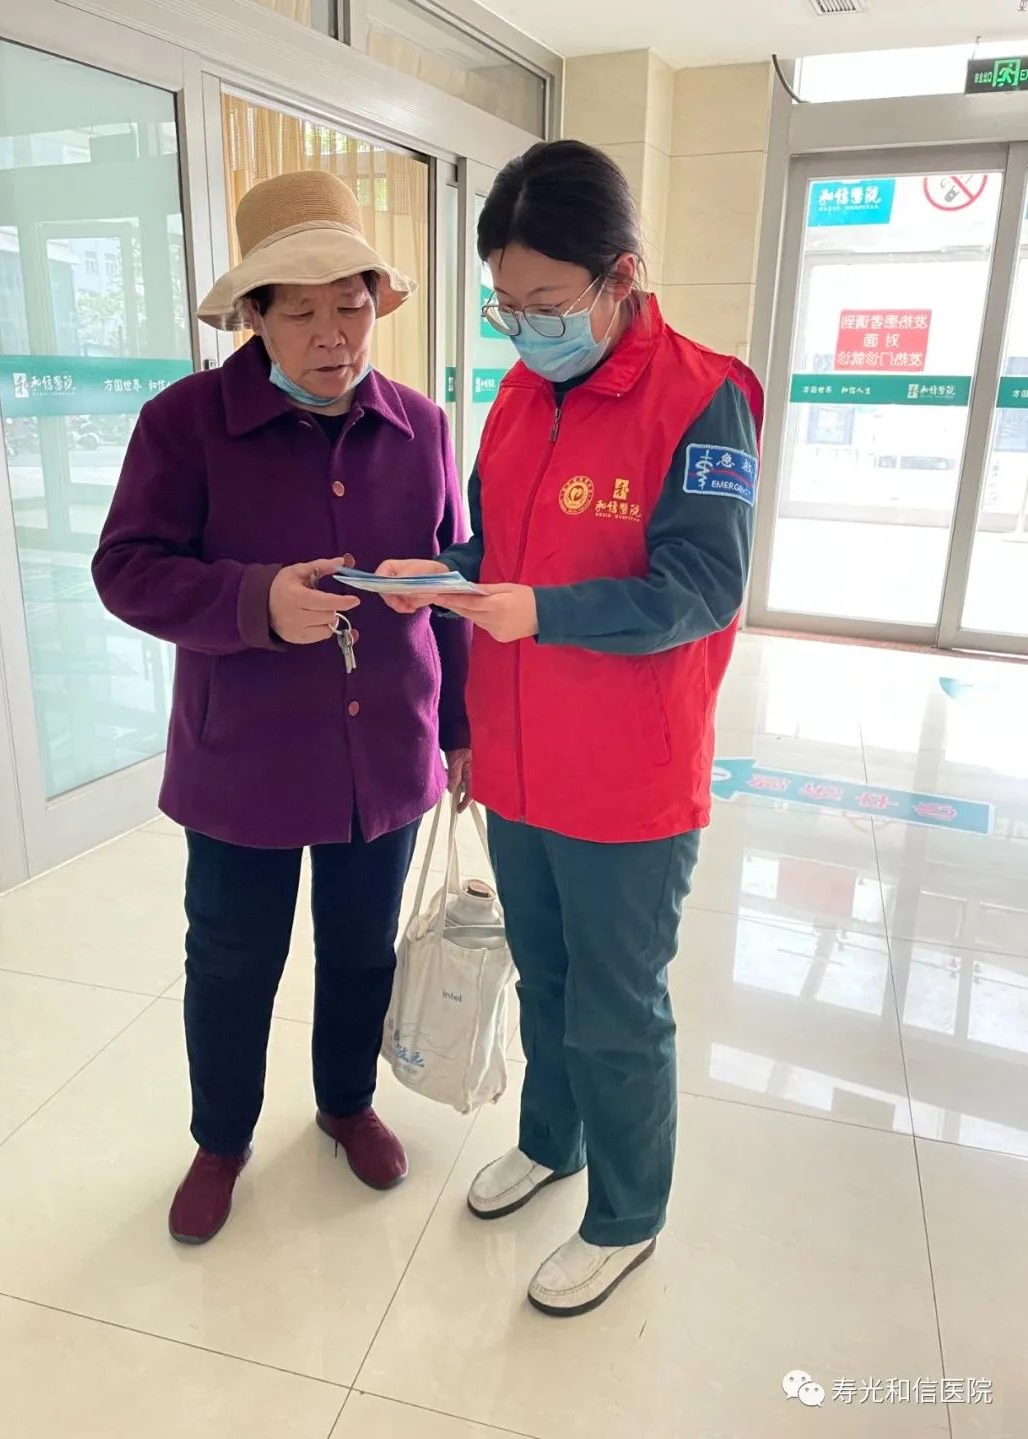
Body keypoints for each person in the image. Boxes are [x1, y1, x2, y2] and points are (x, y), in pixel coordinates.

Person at [379, 140, 763, 1316]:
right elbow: (497, 550)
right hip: (520, 761)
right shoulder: (517, 395)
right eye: (507, 304)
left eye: (547, 303)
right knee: (542, 975)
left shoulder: (703, 397)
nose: (526, 327)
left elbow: (703, 587)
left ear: (621, 276)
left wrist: (541, 611)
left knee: (616, 1006)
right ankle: (552, 1139)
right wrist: (444, 573)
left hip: (629, 778)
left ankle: (627, 1214)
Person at [93, 170, 471, 1245]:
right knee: (231, 958)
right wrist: (256, 600)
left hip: (385, 749)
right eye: (299, 311)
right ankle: (221, 1138)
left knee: (362, 949)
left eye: (350, 304)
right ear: (253, 317)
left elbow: (453, 572)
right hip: (243, 760)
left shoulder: (420, 425)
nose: (332, 334)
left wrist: (460, 726)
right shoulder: (186, 422)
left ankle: (347, 1103)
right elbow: (127, 569)